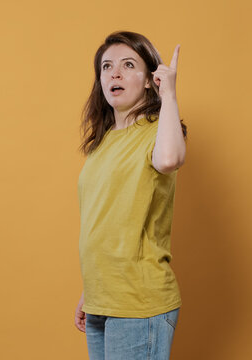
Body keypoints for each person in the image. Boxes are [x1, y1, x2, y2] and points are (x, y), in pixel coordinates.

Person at [74, 30, 188, 360]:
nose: (115, 73)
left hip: (138, 302)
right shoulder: (103, 142)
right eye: (107, 67)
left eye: (128, 64)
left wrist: (169, 95)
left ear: (151, 79)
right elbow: (107, 220)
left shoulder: (158, 129)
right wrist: (92, 291)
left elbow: (169, 160)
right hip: (103, 300)